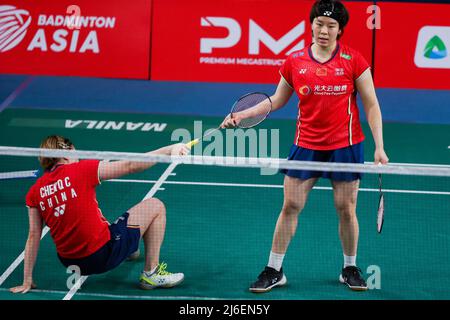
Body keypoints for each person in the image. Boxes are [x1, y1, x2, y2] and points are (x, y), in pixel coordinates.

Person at [222, 0, 389, 292]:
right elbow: (277, 99)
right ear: (311, 25)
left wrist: (379, 146)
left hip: (346, 145)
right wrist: (243, 115)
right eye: (319, 24)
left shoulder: (354, 60)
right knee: (291, 206)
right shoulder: (295, 60)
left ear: (340, 30)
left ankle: (349, 267)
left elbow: (372, 104)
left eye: (331, 26)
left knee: (346, 209)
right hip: (306, 143)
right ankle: (274, 269)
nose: (324, 31)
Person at [10, 135, 190, 294]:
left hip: (71, 263)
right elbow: (131, 165)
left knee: (109, 227)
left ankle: (130, 249)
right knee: (155, 205)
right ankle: (151, 273)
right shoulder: (82, 170)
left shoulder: (34, 191)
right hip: (100, 256)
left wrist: (27, 280)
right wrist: (169, 150)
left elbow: (34, 235)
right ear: (67, 153)